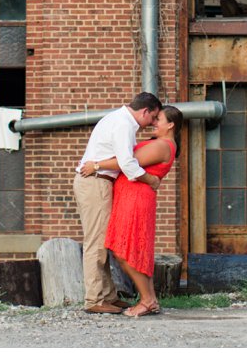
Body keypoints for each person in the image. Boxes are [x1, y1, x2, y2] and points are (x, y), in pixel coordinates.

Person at [81, 104, 183, 317]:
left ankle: (147, 300)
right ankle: (150, 299)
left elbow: (128, 162)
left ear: (171, 125)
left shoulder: (163, 145)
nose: (154, 122)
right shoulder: (161, 143)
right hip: (130, 197)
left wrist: (97, 165)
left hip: (135, 199)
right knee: (130, 248)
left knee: (125, 250)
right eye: (154, 118)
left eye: (159, 119)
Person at [73, 92, 162, 314]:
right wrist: (150, 179)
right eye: (153, 118)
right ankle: (94, 299)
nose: (152, 124)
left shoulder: (118, 119)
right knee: (96, 242)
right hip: (96, 183)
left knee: (105, 240)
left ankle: (108, 296)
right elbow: (127, 163)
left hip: (98, 181)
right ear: (145, 111)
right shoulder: (124, 125)